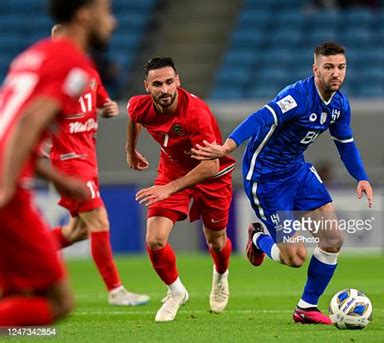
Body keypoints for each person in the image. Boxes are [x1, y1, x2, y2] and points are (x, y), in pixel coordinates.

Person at [192, 41, 373, 324]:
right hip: (266, 179)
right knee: (295, 258)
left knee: (333, 239)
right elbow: (261, 117)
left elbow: (345, 143)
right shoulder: (297, 96)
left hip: (298, 173)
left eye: (341, 67)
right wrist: (228, 146)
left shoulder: (339, 104)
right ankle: (257, 238)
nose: (336, 73)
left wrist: (361, 177)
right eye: (329, 67)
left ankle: (306, 308)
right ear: (316, 69)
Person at [0, 0, 116, 326]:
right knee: (60, 302)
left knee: (18, 295)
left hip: (9, 167)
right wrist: (6, 189)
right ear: (83, 14)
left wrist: (59, 180)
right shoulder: (73, 65)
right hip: (9, 188)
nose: (113, 22)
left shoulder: (31, 56)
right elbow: (28, 124)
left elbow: (17, 128)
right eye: (106, 11)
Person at [44, 24, 150, 306]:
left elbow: (104, 102)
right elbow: (38, 112)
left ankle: (19, 253)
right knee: (100, 221)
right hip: (70, 164)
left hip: (88, 161)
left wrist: (109, 108)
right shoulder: (53, 76)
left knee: (77, 231)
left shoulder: (88, 72)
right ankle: (116, 291)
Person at [126, 57, 236, 322]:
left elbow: (210, 166)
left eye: (168, 82)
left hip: (212, 177)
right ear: (147, 87)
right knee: (154, 240)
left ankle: (221, 275)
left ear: (178, 81)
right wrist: (130, 149)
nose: (164, 89)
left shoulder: (195, 114)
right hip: (172, 169)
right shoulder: (138, 105)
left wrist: (168, 189)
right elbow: (134, 117)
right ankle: (175, 291)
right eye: (157, 84)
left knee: (216, 241)